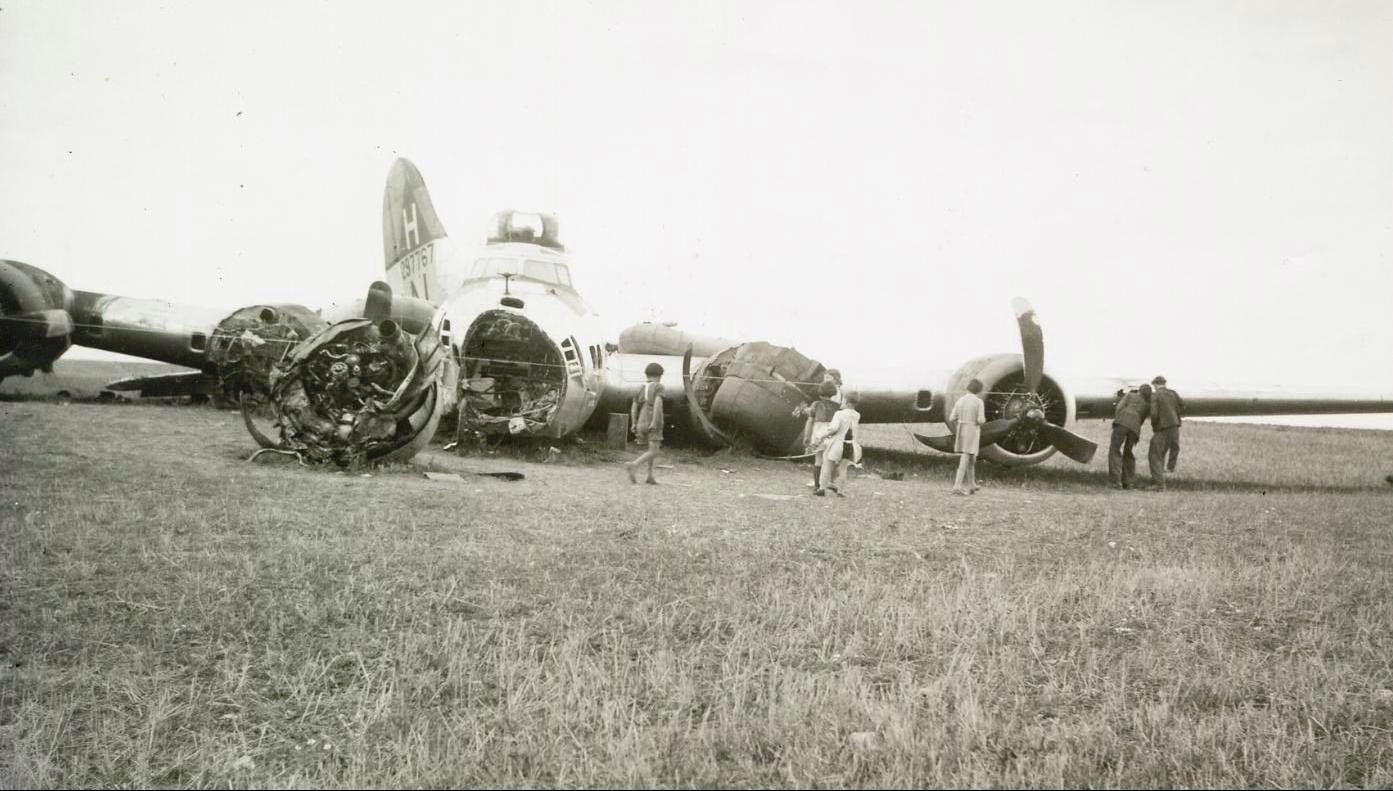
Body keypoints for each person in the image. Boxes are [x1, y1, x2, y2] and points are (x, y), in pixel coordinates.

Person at [809, 391, 861, 497]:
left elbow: (833, 428)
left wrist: (821, 436)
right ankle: (840, 491)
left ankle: (822, 489)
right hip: (849, 444)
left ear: (846, 401)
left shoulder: (839, 414)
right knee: (843, 468)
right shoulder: (857, 415)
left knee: (827, 465)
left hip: (837, 443)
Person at [792, 381, 841, 489]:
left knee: (818, 459)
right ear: (833, 393)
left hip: (819, 434)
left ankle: (816, 485)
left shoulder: (815, 404)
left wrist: (807, 437)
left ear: (819, 393)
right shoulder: (837, 406)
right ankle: (828, 482)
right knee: (829, 459)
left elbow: (810, 421)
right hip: (831, 433)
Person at [625, 362, 665, 484]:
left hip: (641, 418)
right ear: (659, 375)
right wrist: (654, 421)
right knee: (655, 450)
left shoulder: (641, 388)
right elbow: (658, 404)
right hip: (653, 417)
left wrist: (633, 423)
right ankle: (634, 465)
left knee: (650, 448)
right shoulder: (659, 387)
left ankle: (650, 475)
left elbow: (634, 406)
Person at [1108, 384, 1151, 489]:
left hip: (1122, 423)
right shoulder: (1147, 404)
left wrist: (1118, 419)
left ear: (1139, 391)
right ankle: (1129, 483)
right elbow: (1142, 419)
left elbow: (1119, 407)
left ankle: (1116, 482)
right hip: (1135, 428)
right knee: (1128, 453)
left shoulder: (1130, 395)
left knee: (1114, 450)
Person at [1147, 375, 1184, 490]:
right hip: (1175, 427)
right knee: (1164, 452)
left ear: (1155, 384)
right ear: (1164, 383)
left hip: (1163, 428)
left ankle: (1159, 485)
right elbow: (1182, 405)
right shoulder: (1173, 393)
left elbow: (1154, 413)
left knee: (1154, 454)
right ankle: (1165, 473)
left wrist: (1154, 426)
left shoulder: (1155, 395)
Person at [949, 379, 986, 495]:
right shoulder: (979, 402)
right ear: (979, 390)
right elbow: (980, 420)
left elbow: (952, 417)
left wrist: (962, 422)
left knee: (971, 458)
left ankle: (972, 484)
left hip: (961, 429)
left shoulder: (960, 400)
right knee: (966, 457)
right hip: (972, 431)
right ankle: (957, 486)